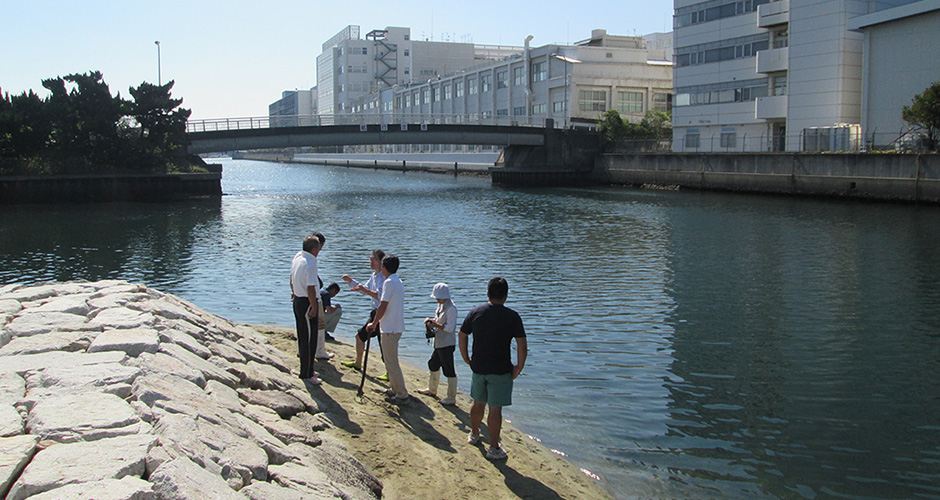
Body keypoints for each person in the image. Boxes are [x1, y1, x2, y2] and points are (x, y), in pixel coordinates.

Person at [459, 277, 527, 460]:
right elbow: (522, 345)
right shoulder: (512, 316)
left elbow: (462, 334)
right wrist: (519, 367)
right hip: (501, 369)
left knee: (477, 402)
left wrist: (466, 357)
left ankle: (474, 434)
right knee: (495, 409)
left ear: (488, 293)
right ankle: (494, 447)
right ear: (506, 295)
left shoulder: (476, 312)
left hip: (479, 366)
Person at [367, 254, 408, 403]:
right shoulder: (398, 281)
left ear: (384, 267)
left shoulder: (389, 283)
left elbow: (383, 305)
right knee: (391, 360)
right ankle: (394, 388)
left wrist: (374, 323)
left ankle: (402, 393)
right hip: (396, 326)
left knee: (391, 362)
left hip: (390, 327)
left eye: (382, 267)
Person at [340, 249, 386, 370]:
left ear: (381, 262)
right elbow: (365, 289)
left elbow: (380, 296)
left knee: (384, 345)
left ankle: (389, 372)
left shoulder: (384, 277)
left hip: (383, 313)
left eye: (374, 259)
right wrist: (351, 282)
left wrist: (365, 291)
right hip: (375, 312)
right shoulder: (374, 276)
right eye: (370, 259)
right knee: (360, 336)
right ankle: (358, 362)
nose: (371, 262)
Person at [417, 283, 459, 405]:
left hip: (447, 344)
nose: (436, 299)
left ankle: (451, 398)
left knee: (449, 369)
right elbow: (440, 321)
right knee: (433, 364)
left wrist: (435, 325)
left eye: (437, 297)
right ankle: (432, 390)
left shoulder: (451, 309)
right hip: (440, 343)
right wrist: (431, 321)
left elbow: (450, 328)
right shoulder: (441, 306)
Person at [290, 234, 322, 385]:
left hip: (298, 298)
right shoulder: (310, 263)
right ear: (314, 249)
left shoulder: (298, 257)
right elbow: (311, 288)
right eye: (319, 248)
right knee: (309, 339)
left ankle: (307, 369)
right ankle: (307, 373)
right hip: (306, 301)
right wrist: (314, 307)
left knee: (303, 335)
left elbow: (291, 276)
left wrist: (294, 290)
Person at [315, 283, 341, 360]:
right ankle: (325, 331)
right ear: (333, 290)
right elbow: (329, 311)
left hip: (314, 314)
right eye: (335, 293)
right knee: (338, 311)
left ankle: (323, 331)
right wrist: (336, 307)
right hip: (318, 316)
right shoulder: (326, 294)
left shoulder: (322, 291)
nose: (334, 296)